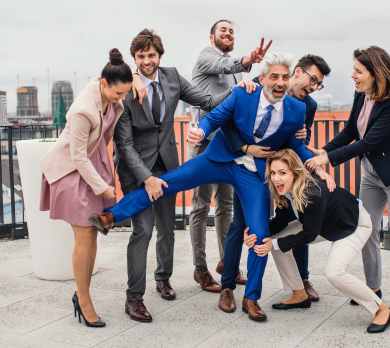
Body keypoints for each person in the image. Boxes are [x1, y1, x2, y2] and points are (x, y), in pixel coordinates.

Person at [90, 52, 335, 321]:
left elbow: (297, 145)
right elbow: (216, 116)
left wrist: (318, 165)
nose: (280, 82)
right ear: (262, 78)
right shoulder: (244, 94)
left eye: (284, 77)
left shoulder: (297, 109)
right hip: (220, 159)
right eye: (274, 76)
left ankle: (252, 299)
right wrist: (201, 131)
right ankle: (111, 216)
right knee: (165, 182)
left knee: (261, 233)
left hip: (254, 174)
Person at [111, 29, 256, 323]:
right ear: (134, 59)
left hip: (166, 165)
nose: (147, 61)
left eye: (152, 55)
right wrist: (145, 177)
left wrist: (239, 90)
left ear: (159, 55)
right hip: (133, 169)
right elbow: (123, 144)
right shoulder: (126, 87)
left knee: (167, 227)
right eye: (141, 56)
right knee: (143, 231)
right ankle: (134, 298)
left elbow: (206, 100)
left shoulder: (173, 76)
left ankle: (163, 278)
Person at [305, 46, 390, 324]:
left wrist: (327, 160)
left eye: (358, 72)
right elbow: (350, 131)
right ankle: (373, 289)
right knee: (366, 230)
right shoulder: (361, 95)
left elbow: (368, 142)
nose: (353, 75)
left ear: (376, 74)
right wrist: (323, 152)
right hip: (372, 175)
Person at [244, 149, 390, 333]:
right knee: (274, 238)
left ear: (295, 173)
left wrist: (271, 245)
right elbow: (281, 222)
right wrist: (256, 234)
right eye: (273, 173)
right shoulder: (284, 190)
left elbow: (308, 235)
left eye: (282, 173)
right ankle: (299, 294)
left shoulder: (313, 192)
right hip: (325, 223)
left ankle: (382, 309)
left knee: (334, 273)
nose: (276, 179)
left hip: (352, 223)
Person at [220, 54, 331, 303]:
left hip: (287, 174)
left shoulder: (308, 106)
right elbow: (230, 121)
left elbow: (300, 142)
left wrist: (305, 135)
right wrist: (246, 149)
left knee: (299, 221)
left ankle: (302, 280)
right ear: (298, 72)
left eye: (318, 84)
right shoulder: (257, 87)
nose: (313, 87)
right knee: (240, 224)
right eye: (312, 80)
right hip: (252, 168)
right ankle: (227, 284)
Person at [39, 49, 133, 328]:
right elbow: (77, 156)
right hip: (72, 172)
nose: (122, 98)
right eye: (118, 94)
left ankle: (82, 293)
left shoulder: (110, 92)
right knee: (84, 237)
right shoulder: (83, 109)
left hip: (93, 167)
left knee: (94, 234)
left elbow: (98, 143)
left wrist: (133, 83)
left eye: (125, 93)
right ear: (104, 85)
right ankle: (83, 299)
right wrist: (103, 186)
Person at [187, 20, 272, 292]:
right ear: (212, 37)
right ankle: (200, 268)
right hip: (204, 144)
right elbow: (224, 66)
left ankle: (228, 263)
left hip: (226, 147)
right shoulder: (207, 56)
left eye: (231, 31)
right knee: (201, 206)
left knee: (225, 206)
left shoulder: (237, 72)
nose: (228, 33)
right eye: (222, 30)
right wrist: (247, 60)